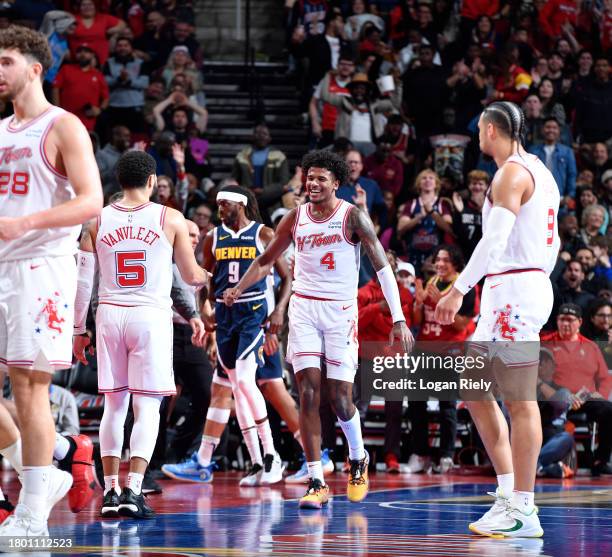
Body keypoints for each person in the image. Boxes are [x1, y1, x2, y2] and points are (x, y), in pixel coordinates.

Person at [224, 150, 413, 509]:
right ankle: (316, 480)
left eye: (320, 178)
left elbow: (382, 269)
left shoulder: (353, 217)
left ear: (336, 183)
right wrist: (239, 287)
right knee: (308, 393)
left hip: (341, 313)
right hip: (305, 309)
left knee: (341, 400)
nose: (312, 184)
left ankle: (358, 459)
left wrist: (399, 317)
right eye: (309, 178)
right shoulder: (296, 218)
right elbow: (265, 260)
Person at [435, 101, 560, 538]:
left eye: (479, 131)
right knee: (471, 386)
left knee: (519, 400)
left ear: (491, 130)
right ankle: (509, 495)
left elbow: (494, 241)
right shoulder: (542, 172)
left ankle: (524, 508)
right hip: (518, 286)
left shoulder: (510, 172)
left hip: (514, 290)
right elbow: (553, 241)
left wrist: (457, 289)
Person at [0, 25, 103, 536]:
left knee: (28, 386)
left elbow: (91, 201)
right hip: (1, 267)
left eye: (5, 62)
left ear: (35, 68)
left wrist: (26, 222)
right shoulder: (0, 131)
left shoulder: (63, 126)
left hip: (41, 268)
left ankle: (33, 513)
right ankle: (51, 463)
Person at [72, 150, 209, 519]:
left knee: (114, 407)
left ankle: (111, 491)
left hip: (109, 315)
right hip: (149, 315)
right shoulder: (171, 218)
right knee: (146, 406)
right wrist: (212, 280)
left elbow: (84, 283)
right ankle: (134, 489)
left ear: (120, 182)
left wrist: (77, 329)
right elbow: (191, 275)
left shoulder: (96, 220)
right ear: (152, 181)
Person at [161, 185, 295, 486]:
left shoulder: (262, 233)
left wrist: (278, 312)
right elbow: (203, 279)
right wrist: (203, 308)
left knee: (246, 382)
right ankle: (256, 462)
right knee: (232, 385)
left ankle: (272, 456)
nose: (220, 209)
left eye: (225, 204)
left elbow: (287, 278)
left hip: (253, 313)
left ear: (242, 204)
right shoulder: (213, 238)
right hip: (224, 316)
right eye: (219, 204)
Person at [410, 245, 477, 474]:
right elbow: (418, 320)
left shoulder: (466, 287)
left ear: (456, 262)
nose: (439, 264)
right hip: (423, 350)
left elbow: (462, 325)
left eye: (445, 260)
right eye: (437, 259)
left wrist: (441, 302)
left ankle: (446, 456)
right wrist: (418, 303)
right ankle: (421, 454)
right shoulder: (430, 283)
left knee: (446, 405)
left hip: (449, 352)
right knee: (416, 403)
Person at [541, 304, 612, 476]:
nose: (565, 324)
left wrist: (599, 394)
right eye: (561, 319)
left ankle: (600, 461)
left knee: (608, 410)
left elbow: (604, 378)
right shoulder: (545, 344)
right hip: (555, 399)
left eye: (570, 320)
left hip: (585, 399)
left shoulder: (591, 347)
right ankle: (547, 458)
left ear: (579, 322)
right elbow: (538, 378)